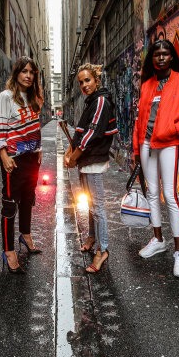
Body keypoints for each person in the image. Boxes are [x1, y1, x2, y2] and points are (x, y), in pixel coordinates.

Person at [133, 39, 179, 277]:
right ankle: (157, 239)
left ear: (171, 57)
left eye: (165, 54)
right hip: (146, 145)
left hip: (169, 144)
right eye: (157, 54)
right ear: (151, 59)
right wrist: (136, 149)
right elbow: (139, 121)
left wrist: (171, 129)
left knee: (170, 196)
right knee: (152, 193)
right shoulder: (147, 85)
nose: (161, 58)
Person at [0, 56, 44, 274]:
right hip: (13, 158)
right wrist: (3, 155)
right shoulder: (6, 96)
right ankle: (9, 251)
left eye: (32, 72)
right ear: (17, 73)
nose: (29, 76)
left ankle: (26, 235)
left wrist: (39, 149)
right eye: (25, 71)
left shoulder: (34, 98)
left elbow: (35, 125)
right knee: (10, 204)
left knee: (28, 200)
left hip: (32, 158)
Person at [65, 63, 117, 273]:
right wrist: (71, 152)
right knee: (90, 204)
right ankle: (92, 237)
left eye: (87, 80)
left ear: (96, 80)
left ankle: (102, 250)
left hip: (93, 161)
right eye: (81, 82)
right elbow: (80, 131)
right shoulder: (92, 101)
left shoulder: (101, 101)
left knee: (98, 207)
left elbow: (91, 134)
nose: (84, 85)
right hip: (86, 162)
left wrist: (74, 156)